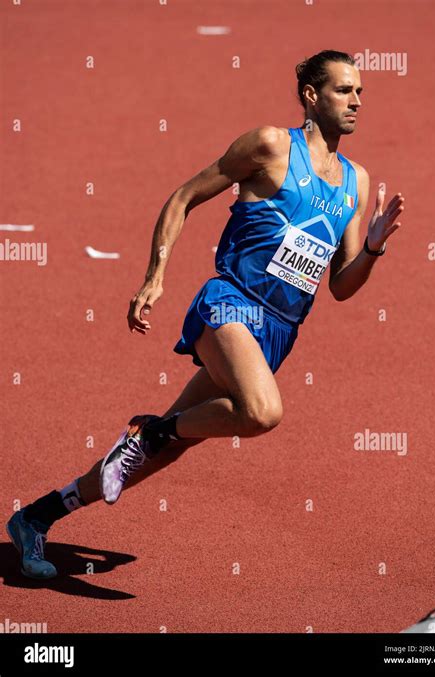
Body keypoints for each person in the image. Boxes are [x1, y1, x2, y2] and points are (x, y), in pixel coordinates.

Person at [6, 50, 405, 579]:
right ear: (312, 96)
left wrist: (372, 250)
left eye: (360, 92)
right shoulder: (270, 147)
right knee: (262, 412)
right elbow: (183, 198)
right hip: (229, 302)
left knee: (169, 448)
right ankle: (148, 434)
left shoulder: (355, 181)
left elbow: (342, 286)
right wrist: (155, 275)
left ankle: (37, 517)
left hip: (280, 332)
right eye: (344, 90)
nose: (357, 101)